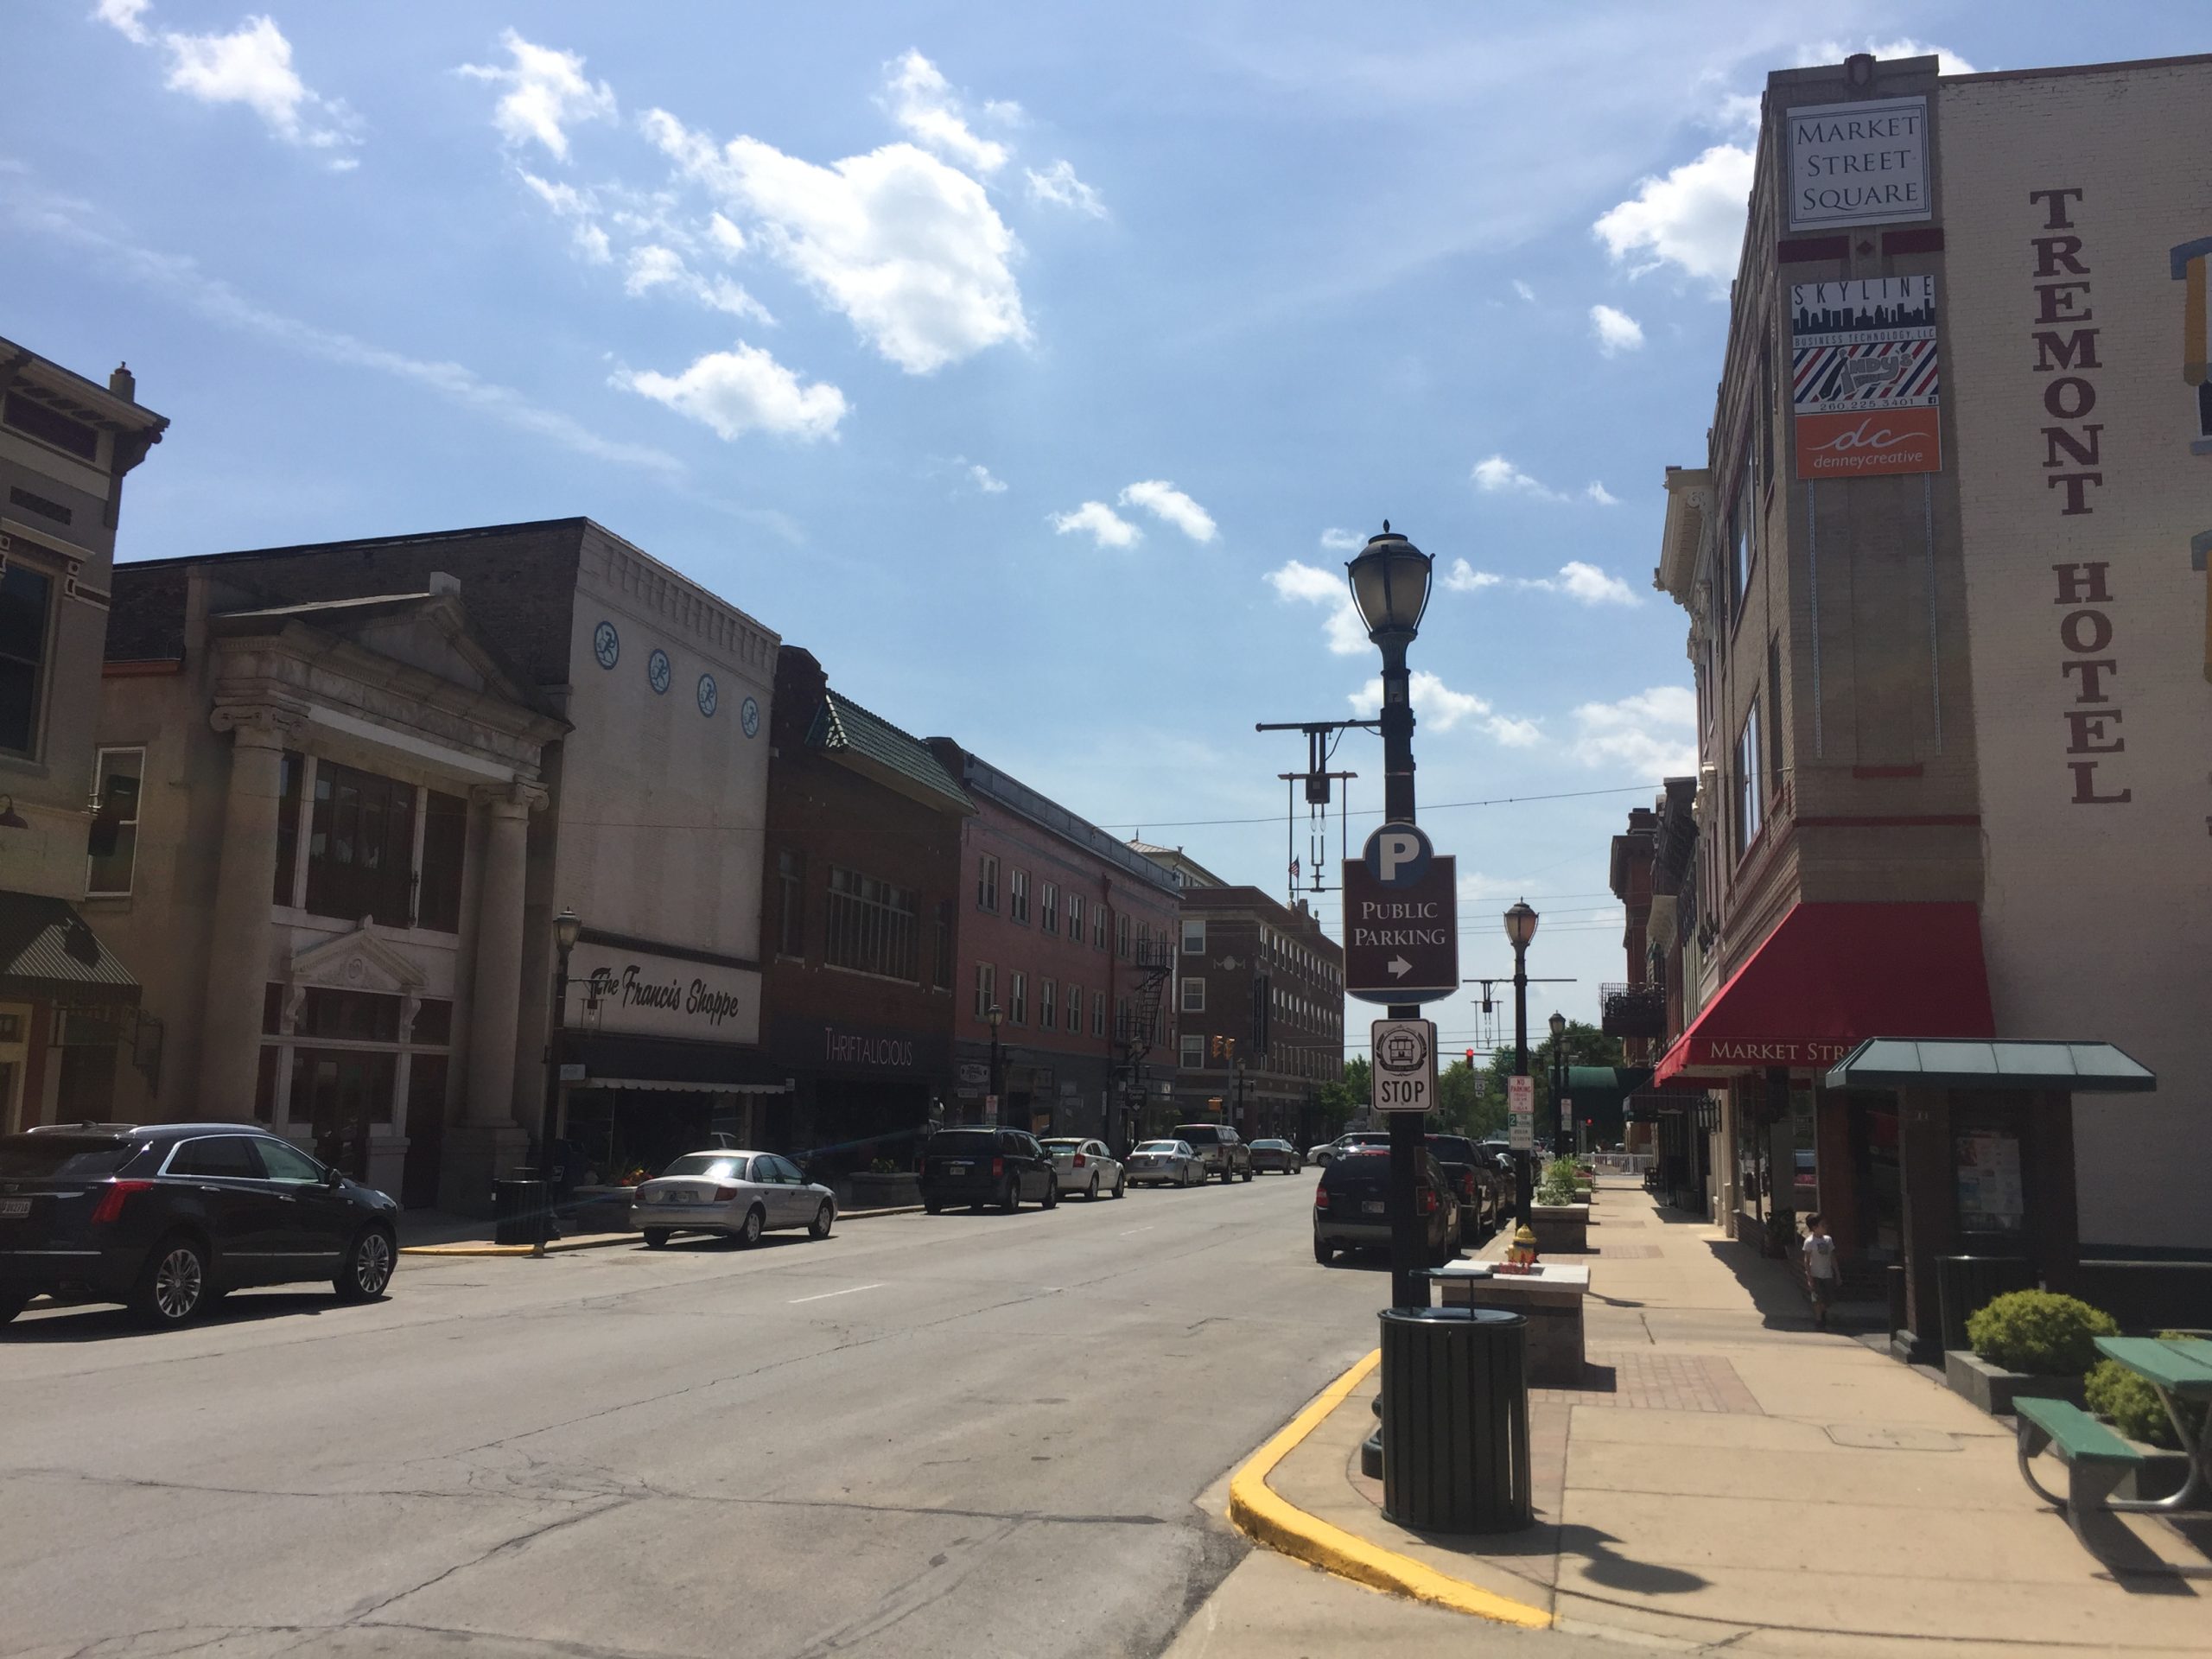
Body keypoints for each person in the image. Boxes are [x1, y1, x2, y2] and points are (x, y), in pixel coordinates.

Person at [1802, 1212, 1838, 1329]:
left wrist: (1837, 1273)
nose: (1825, 1227)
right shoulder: (1809, 1242)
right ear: (1814, 1228)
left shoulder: (1828, 1240)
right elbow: (1807, 1261)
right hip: (1815, 1274)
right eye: (1822, 1225)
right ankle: (1819, 1321)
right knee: (1817, 1299)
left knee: (1828, 1300)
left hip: (1827, 1274)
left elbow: (1832, 1257)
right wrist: (1809, 1278)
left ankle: (1823, 1312)